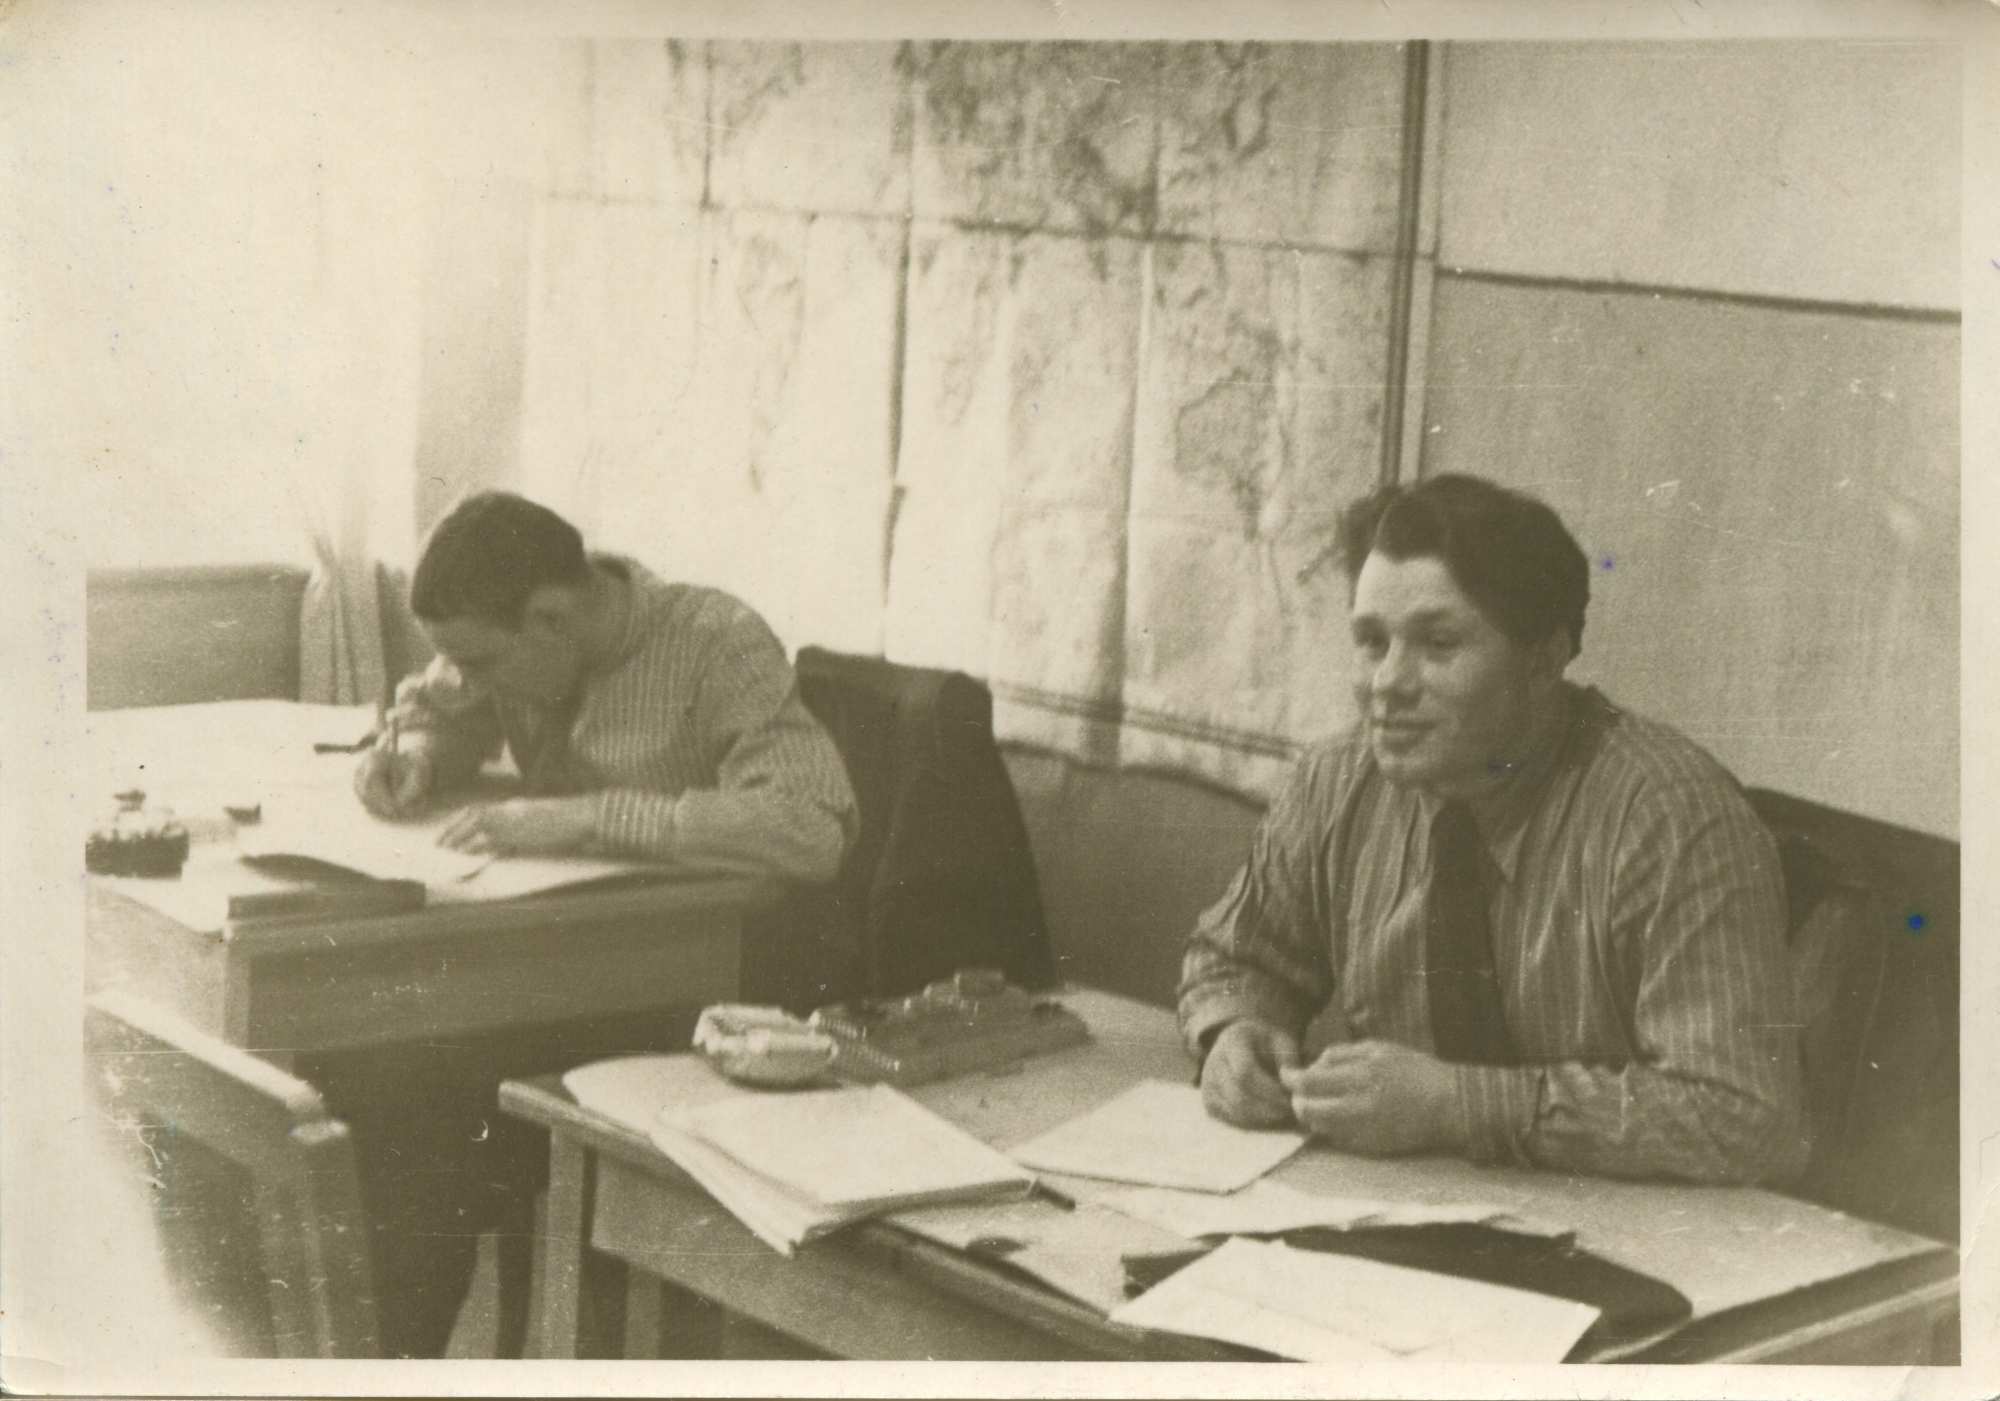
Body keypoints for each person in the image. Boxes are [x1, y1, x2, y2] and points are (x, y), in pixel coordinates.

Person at [326, 490, 858, 1356]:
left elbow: (810, 825)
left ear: (553, 617)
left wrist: (590, 817)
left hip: (684, 998)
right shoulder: (514, 635)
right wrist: (417, 754)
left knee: (413, 1108)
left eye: (483, 661)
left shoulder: (716, 642)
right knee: (359, 1072)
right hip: (543, 973)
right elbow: (438, 704)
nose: (470, 679)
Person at [1180, 473, 1810, 1186]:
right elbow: (1235, 959)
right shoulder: (1336, 782)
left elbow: (1745, 1118)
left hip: (1623, 1224)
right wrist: (1233, 1031)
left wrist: (1457, 1105)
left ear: (1543, 661)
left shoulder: (1670, 819)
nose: (1388, 683)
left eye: (1438, 643)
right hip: (1397, 1205)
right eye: (1373, 642)